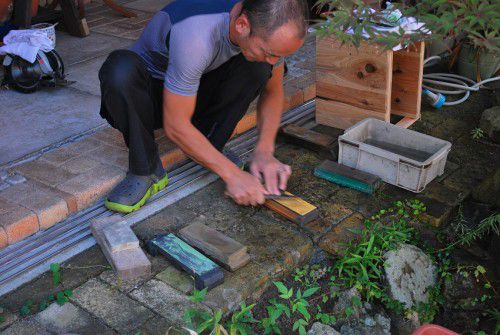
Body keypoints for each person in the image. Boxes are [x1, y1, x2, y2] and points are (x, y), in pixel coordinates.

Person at [98, 0, 309, 213]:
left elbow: (273, 92)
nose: (274, 60)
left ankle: (209, 143)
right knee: (120, 70)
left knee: (259, 68)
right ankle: (146, 170)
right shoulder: (196, 34)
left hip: (192, 89)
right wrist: (232, 175)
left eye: (279, 56)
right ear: (242, 25)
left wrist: (264, 151)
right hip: (149, 99)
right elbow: (175, 126)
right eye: (270, 52)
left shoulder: (263, 24)